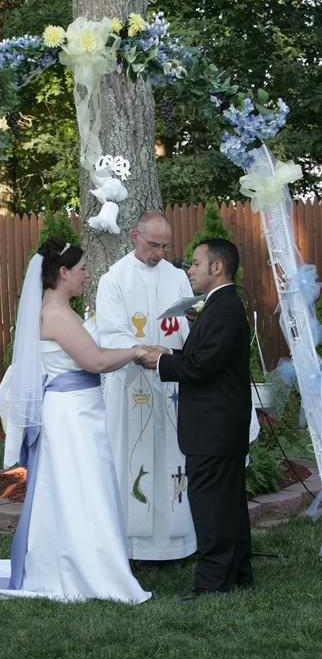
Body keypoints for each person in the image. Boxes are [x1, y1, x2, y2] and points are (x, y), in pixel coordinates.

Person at [0, 237, 151, 603]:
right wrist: (136, 351)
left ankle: (81, 560)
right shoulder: (57, 314)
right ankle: (90, 569)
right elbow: (94, 361)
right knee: (82, 486)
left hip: (77, 409)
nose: (86, 275)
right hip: (72, 415)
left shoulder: (56, 308)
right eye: (82, 269)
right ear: (63, 272)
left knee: (77, 487)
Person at [141, 238, 253, 599]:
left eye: (195, 263)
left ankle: (213, 583)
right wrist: (170, 352)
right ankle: (238, 573)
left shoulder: (222, 309)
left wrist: (160, 362)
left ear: (216, 267)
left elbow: (202, 367)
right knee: (228, 503)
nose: (189, 269)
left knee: (210, 505)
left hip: (214, 426)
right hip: (221, 423)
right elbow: (205, 356)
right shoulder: (222, 305)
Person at [96, 210, 197, 563]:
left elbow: (185, 327)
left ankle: (177, 542)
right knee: (132, 458)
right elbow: (111, 332)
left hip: (171, 385)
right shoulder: (114, 279)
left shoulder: (177, 277)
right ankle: (133, 546)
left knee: (173, 458)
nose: (160, 253)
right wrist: (142, 352)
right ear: (135, 237)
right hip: (131, 384)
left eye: (165, 246)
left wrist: (172, 349)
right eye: (153, 245)